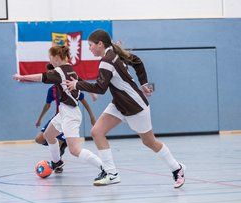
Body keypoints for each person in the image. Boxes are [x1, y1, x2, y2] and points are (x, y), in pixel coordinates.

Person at [66, 29, 186, 188]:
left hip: (135, 106)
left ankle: (177, 168)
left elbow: (101, 88)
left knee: (149, 141)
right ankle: (112, 173)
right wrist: (143, 83)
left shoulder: (107, 61)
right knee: (97, 132)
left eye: (90, 45)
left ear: (100, 44)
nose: (89, 49)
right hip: (119, 104)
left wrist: (77, 84)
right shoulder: (112, 54)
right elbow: (137, 62)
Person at [13, 45, 103, 177]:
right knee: (48, 135)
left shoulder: (59, 72)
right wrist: (91, 93)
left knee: (74, 150)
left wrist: (22, 76)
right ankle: (57, 162)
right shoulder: (70, 69)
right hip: (63, 112)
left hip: (70, 114)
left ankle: (105, 168)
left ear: (55, 58)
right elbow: (81, 81)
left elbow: (40, 77)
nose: (49, 61)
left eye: (50, 58)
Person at [35, 80, 97, 162]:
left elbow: (84, 101)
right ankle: (61, 144)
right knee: (39, 139)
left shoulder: (69, 87)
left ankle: (58, 163)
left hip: (68, 118)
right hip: (57, 117)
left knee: (61, 145)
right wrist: (39, 119)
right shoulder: (52, 90)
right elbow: (47, 105)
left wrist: (91, 116)